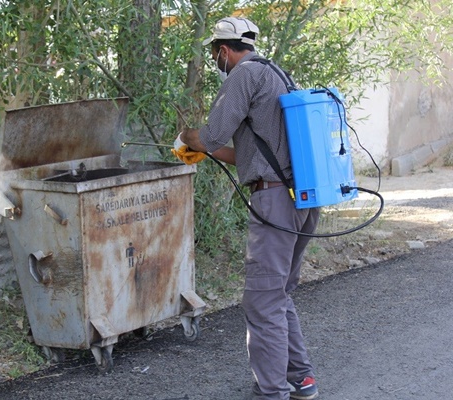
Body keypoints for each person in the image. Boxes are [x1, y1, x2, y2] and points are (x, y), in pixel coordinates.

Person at [172, 17, 320, 400]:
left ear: (223, 51)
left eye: (214, 55)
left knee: (262, 299)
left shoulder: (242, 75)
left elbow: (211, 134)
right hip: (301, 197)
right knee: (278, 293)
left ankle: (271, 392)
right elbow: (252, 155)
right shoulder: (277, 74)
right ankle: (300, 378)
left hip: (274, 202)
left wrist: (186, 138)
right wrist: (205, 150)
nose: (216, 61)